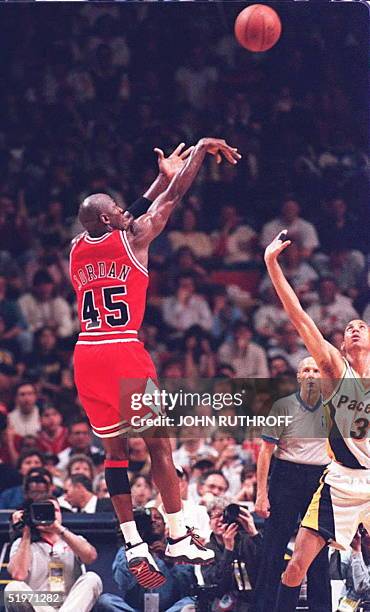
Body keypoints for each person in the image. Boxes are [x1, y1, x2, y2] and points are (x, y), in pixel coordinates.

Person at [70, 138, 241, 587]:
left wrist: (156, 179)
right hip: (123, 350)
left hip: (87, 355)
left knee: (114, 454)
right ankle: (180, 533)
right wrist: (199, 152)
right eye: (117, 209)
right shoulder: (137, 237)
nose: (127, 210)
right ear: (110, 218)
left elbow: (119, 214)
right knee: (160, 445)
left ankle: (133, 541)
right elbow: (173, 198)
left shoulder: (75, 249)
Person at [264, 230, 370, 612]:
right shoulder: (334, 368)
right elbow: (299, 317)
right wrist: (271, 265)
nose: (354, 328)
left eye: (361, 326)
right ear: (342, 345)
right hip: (340, 480)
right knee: (295, 568)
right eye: (348, 329)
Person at [254, 357, 331, 612]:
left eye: (316, 369)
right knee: (273, 547)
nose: (311, 374)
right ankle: (265, 608)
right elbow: (265, 452)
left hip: (320, 479)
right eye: (306, 369)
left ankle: (321, 608)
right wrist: (261, 494)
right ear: (299, 377)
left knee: (318, 550)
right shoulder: (282, 406)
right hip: (285, 475)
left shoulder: (334, 408)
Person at [5, 498, 102, 612]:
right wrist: (26, 531)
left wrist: (59, 530)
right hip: (38, 605)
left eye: (54, 510)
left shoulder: (73, 539)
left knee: (92, 578)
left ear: (60, 514)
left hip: (72, 605)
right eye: (42, 511)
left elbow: (90, 557)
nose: (50, 514)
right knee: (12, 589)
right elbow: (18, 575)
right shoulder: (22, 543)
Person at [96, 508, 196, 612]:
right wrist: (135, 553)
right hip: (135, 609)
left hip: (169, 609)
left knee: (191, 602)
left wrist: (170, 562)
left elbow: (187, 586)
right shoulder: (128, 549)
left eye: (157, 518)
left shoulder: (177, 548)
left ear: (165, 525)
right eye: (148, 520)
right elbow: (123, 583)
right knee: (105, 601)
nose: (153, 521)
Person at [202, 499, 263, 612]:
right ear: (209, 523)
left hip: (254, 601)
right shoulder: (206, 550)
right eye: (217, 516)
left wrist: (254, 533)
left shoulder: (247, 540)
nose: (221, 520)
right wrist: (228, 550)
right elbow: (216, 586)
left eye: (225, 516)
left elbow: (268, 566)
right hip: (223, 604)